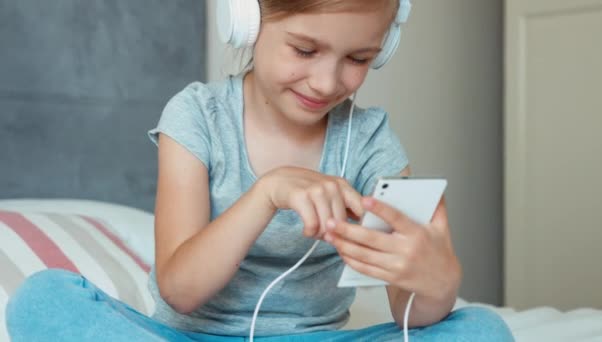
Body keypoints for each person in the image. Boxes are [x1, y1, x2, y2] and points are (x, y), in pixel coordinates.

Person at [6, 0, 514, 341]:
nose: (327, 80)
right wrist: (266, 194)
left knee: (482, 330)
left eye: (358, 58)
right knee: (45, 299)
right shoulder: (197, 116)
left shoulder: (370, 140)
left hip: (315, 337)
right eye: (305, 50)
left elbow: (410, 318)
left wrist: (435, 281)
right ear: (247, 20)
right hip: (187, 337)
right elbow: (180, 288)